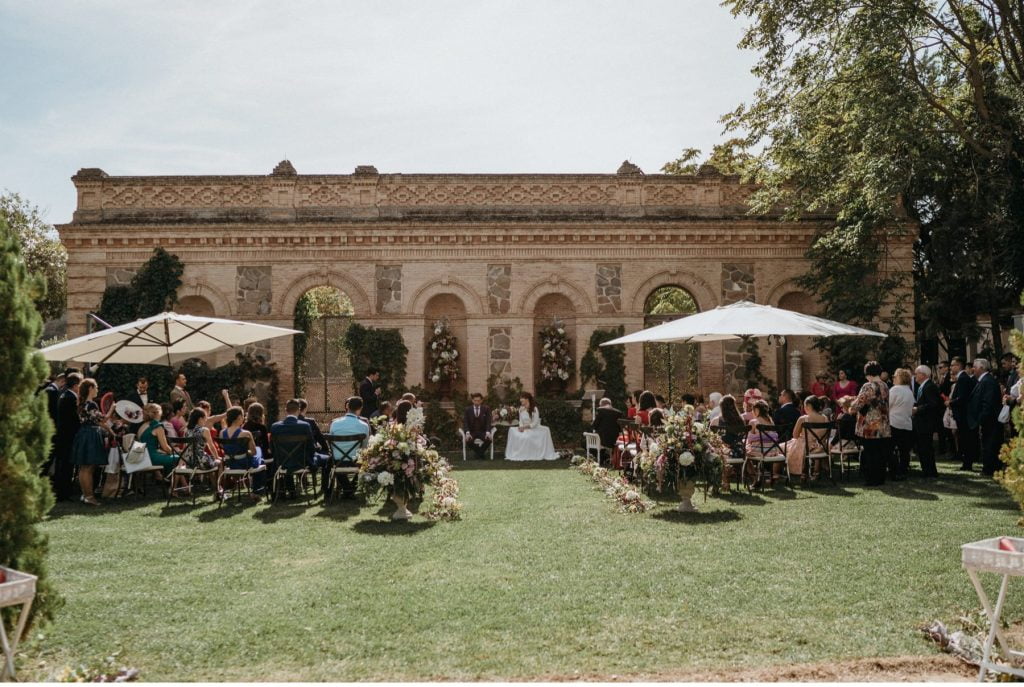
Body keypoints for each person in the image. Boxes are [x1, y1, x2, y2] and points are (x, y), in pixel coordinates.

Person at [850, 361, 891, 487]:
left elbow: (858, 404)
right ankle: (880, 478)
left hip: (870, 425)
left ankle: (871, 479)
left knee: (870, 453)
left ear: (868, 373)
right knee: (880, 452)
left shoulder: (868, 386)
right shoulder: (885, 385)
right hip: (883, 424)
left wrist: (850, 407)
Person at [71, 379, 111, 505]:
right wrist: (113, 408)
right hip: (91, 435)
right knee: (88, 467)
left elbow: (98, 421)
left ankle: (85, 495)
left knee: (84, 467)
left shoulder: (82, 403)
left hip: (83, 433)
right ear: (90, 388)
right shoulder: (91, 404)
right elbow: (103, 419)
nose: (97, 390)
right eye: (96, 387)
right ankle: (89, 496)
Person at [271, 399, 316, 496]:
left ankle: (290, 490)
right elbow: (311, 447)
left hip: (282, 462)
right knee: (325, 459)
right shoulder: (305, 426)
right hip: (301, 462)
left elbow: (273, 448)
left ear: (286, 410)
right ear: (299, 410)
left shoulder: (275, 427)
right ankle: (326, 492)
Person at [327, 396, 370, 497]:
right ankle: (350, 488)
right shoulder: (363, 425)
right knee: (367, 459)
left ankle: (347, 488)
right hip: (356, 460)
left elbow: (332, 445)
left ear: (347, 407)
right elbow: (365, 446)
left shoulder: (334, 424)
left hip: (337, 460)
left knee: (332, 461)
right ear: (360, 408)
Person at [220, 406, 265, 499]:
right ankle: (257, 490)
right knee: (259, 452)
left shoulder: (221, 433)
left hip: (230, 464)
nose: (244, 418)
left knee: (258, 455)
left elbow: (224, 448)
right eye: (243, 416)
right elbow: (253, 452)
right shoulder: (246, 433)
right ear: (239, 417)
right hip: (244, 463)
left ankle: (256, 489)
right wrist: (246, 452)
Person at [179, 407, 224, 500]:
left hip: (189, 464)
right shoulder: (204, 430)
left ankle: (218, 491)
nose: (206, 420)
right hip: (201, 462)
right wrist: (217, 457)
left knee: (211, 465)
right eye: (205, 418)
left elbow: (184, 449)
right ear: (200, 419)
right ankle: (218, 489)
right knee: (219, 463)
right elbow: (211, 447)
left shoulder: (186, 430)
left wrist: (181, 463)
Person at [968, 358, 1003, 476]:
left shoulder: (988, 381)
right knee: (987, 444)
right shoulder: (984, 381)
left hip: (990, 421)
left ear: (982, 368)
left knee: (990, 445)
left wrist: (980, 419)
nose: (973, 369)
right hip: (987, 420)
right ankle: (989, 467)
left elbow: (987, 403)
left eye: (974, 366)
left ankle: (990, 469)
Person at [53, 372, 84, 501]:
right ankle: (63, 493)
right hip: (67, 436)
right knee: (66, 465)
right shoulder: (70, 398)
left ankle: (62, 491)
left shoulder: (64, 395)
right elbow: (73, 419)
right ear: (76, 385)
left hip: (63, 435)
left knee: (63, 464)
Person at [784, 395, 830, 479]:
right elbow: (826, 435)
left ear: (808, 406)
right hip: (821, 447)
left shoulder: (803, 419)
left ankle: (800, 473)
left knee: (782, 448)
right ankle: (816, 472)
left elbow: (795, 435)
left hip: (805, 448)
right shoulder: (825, 418)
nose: (803, 407)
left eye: (804, 405)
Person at [505, 392, 557, 461]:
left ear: (527, 399)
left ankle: (529, 454)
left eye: (522, 398)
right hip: (524, 428)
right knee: (512, 430)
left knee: (527, 437)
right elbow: (520, 421)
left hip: (534, 429)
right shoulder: (521, 409)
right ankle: (514, 453)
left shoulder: (534, 409)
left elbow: (534, 423)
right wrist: (521, 427)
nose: (520, 400)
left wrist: (524, 427)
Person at [911, 364, 942, 478]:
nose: (915, 376)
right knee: (922, 447)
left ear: (923, 375)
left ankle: (930, 472)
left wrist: (917, 409)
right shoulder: (922, 386)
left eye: (917, 373)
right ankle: (927, 470)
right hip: (921, 423)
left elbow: (933, 404)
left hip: (926, 423)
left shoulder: (929, 386)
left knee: (926, 448)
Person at [947, 356, 977, 470]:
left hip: (964, 414)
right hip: (961, 414)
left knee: (966, 439)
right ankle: (966, 462)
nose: (951, 367)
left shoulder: (963, 378)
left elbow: (963, 397)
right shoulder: (962, 378)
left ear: (959, 366)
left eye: (952, 365)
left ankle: (967, 463)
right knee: (963, 439)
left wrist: (951, 403)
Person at [138, 403, 178, 477]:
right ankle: (174, 485)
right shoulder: (157, 426)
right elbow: (165, 447)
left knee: (174, 457)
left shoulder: (142, 426)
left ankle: (170, 482)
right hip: (153, 458)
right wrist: (175, 452)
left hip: (144, 458)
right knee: (179, 458)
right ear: (157, 414)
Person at [888, 368, 915, 480]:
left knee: (891, 448)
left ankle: (894, 471)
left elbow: (887, 405)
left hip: (894, 423)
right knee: (904, 450)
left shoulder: (895, 390)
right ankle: (903, 470)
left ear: (900, 378)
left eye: (895, 376)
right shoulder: (909, 391)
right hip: (906, 423)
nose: (893, 378)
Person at [591, 397, 622, 464]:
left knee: (584, 442)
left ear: (602, 405)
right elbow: (620, 428)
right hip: (614, 439)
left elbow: (594, 426)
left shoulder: (601, 411)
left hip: (602, 439)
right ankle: (606, 457)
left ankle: (603, 457)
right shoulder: (618, 413)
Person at [462, 392, 493, 459]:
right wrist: (467, 433)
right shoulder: (468, 409)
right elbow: (465, 422)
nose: (477, 402)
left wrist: (488, 432)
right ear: (472, 400)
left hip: (482, 431)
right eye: (475, 400)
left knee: (489, 440)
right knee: (468, 441)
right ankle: (480, 454)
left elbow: (488, 421)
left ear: (481, 401)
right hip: (472, 432)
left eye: (478, 401)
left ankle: (478, 454)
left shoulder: (486, 409)